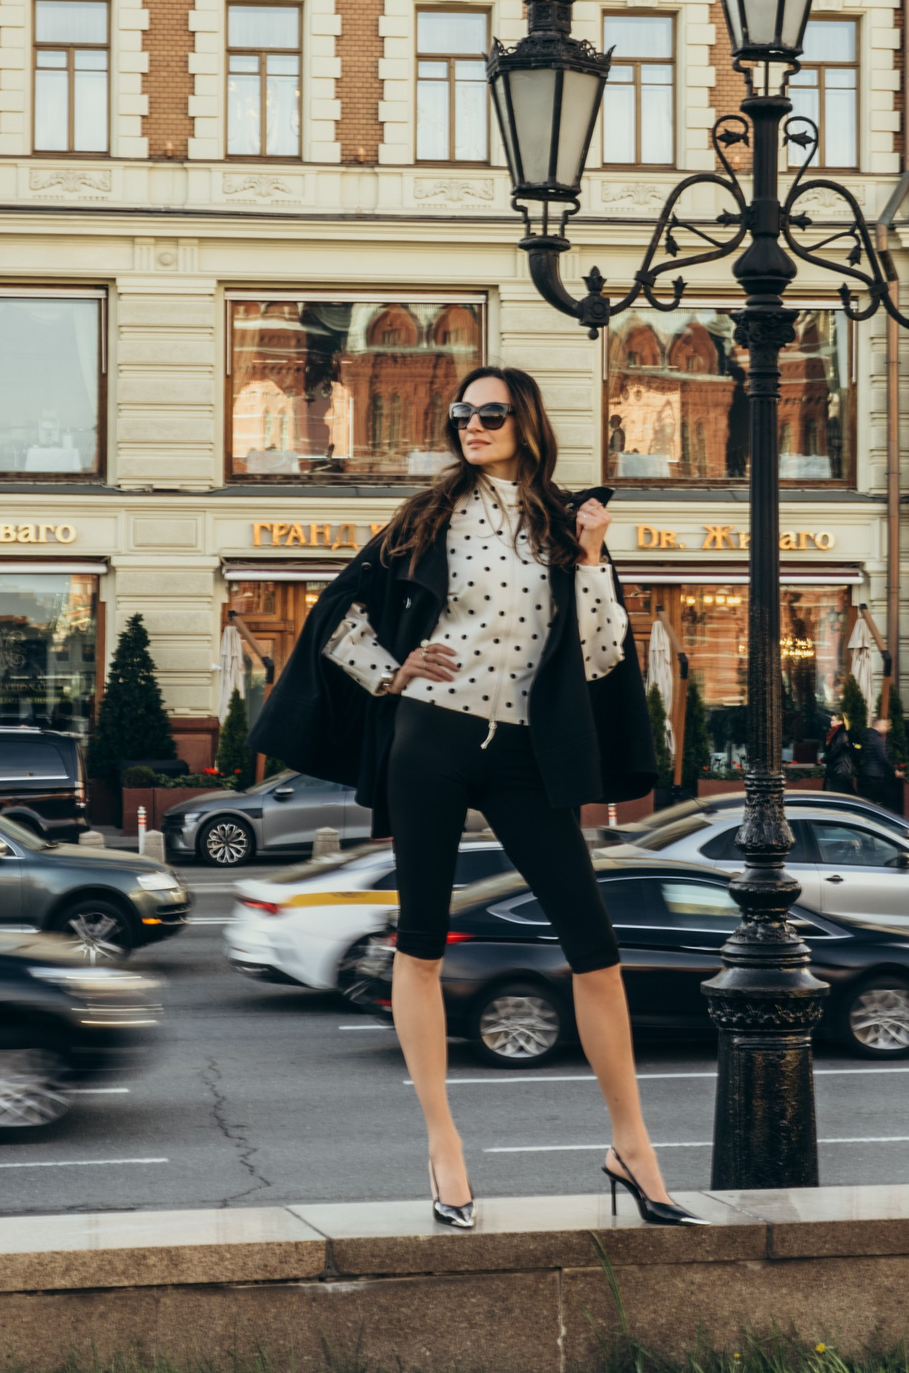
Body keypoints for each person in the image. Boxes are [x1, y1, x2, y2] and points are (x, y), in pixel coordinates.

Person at [253, 366, 688, 1231]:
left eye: (490, 413)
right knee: (419, 943)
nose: (473, 425)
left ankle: (632, 1146)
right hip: (433, 738)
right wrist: (390, 670)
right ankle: (444, 1148)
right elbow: (335, 613)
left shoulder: (567, 523)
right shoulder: (427, 516)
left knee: (595, 951)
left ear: (525, 420)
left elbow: (602, 656)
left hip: (527, 751)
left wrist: (595, 557)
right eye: (462, 413)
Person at [858, 716, 898, 810]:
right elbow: (882, 758)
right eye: (885, 725)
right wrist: (894, 770)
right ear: (879, 725)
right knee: (878, 803)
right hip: (875, 775)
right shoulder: (877, 739)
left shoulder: (866, 736)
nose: (887, 728)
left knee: (867, 802)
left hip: (865, 772)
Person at [821, 716, 859, 796]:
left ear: (840, 722)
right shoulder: (835, 733)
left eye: (833, 720)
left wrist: (824, 759)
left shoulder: (841, 734)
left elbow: (835, 750)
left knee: (839, 794)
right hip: (837, 769)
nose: (831, 722)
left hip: (840, 770)